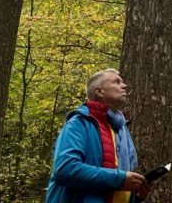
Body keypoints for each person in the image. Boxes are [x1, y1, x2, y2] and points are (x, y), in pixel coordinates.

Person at [44, 68, 151, 203]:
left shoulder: (122, 129)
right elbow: (65, 170)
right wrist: (120, 179)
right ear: (99, 92)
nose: (124, 85)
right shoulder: (79, 123)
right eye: (117, 82)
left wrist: (136, 196)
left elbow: (119, 185)